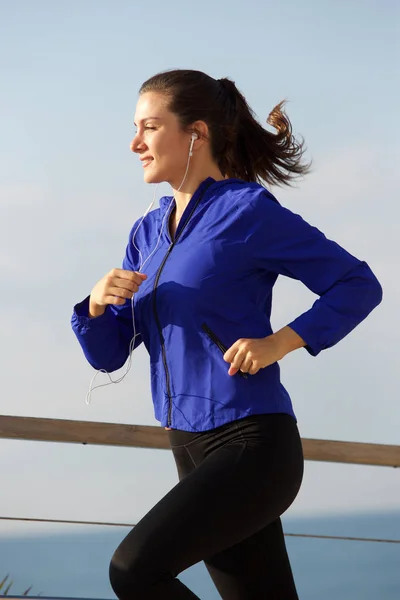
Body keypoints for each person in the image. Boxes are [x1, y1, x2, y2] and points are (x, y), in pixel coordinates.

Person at [71, 69, 383, 599]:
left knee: (134, 572)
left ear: (196, 133)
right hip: (188, 446)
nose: (135, 143)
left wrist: (280, 341)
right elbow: (108, 355)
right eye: (134, 128)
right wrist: (97, 305)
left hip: (251, 445)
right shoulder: (147, 231)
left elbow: (357, 284)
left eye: (149, 127)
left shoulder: (246, 211)